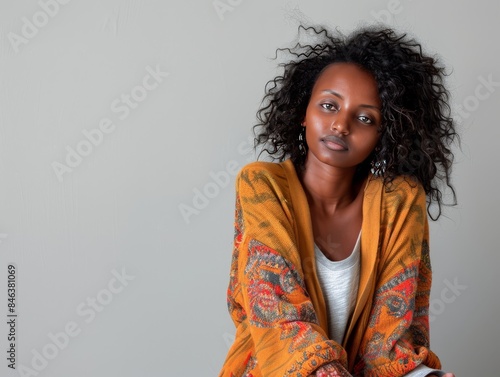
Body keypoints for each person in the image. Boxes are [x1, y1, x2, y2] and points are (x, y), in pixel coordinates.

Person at [219, 25, 458, 377]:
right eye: (329, 105)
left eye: (365, 118)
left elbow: (389, 339)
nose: (340, 125)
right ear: (304, 111)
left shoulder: (400, 201)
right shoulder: (262, 186)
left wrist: (424, 375)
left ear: (384, 133)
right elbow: (280, 320)